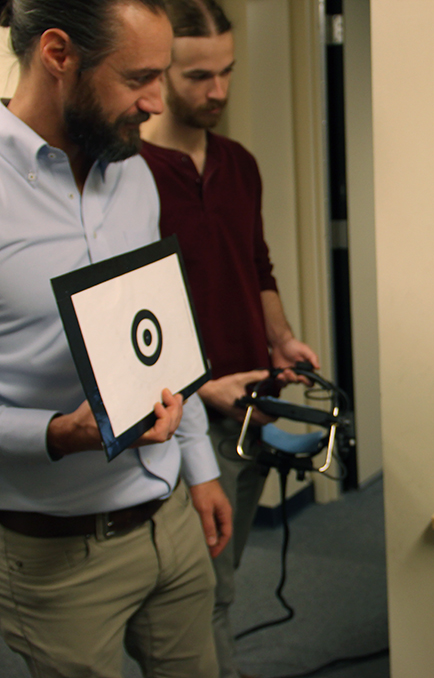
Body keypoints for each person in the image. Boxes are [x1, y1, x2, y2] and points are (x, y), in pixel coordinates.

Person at [0, 0, 231, 676]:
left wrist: (201, 465)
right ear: (58, 55)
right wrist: (55, 435)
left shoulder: (131, 172)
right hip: (60, 558)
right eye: (137, 79)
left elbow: (157, 334)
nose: (156, 103)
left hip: (170, 523)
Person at [139, 2, 320, 676]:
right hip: (183, 417)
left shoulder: (239, 163)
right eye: (198, 77)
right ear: (160, 73)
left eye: (227, 72)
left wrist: (281, 340)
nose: (218, 91)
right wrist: (198, 386)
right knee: (197, 597)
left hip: (251, 407)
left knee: (225, 581)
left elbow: (257, 265)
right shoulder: (130, 175)